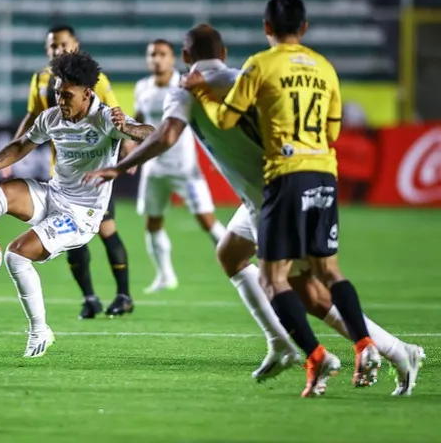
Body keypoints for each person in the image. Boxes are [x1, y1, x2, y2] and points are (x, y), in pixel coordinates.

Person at [84, 23, 424, 397]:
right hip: (278, 186)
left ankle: (391, 352)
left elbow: (166, 135)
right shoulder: (244, 77)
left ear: (184, 57)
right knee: (230, 253)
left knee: (306, 291)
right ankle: (283, 344)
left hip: (273, 196)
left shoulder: (187, 89)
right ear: (225, 53)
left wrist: (119, 165)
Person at [0, 51, 155, 357]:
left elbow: (152, 135)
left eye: (67, 95)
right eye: (57, 94)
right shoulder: (51, 117)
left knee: (16, 255)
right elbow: (22, 144)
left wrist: (129, 129)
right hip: (54, 194)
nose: (60, 100)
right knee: (0, 193)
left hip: (81, 216)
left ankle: (40, 331)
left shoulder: (105, 118)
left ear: (87, 93)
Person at [5, 25, 135, 319]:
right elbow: (33, 117)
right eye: (52, 46)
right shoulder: (40, 79)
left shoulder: (93, 80)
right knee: (70, 238)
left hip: (94, 175)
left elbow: (116, 116)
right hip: (62, 174)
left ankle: (124, 294)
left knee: (106, 230)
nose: (57, 50)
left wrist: (127, 154)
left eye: (63, 45)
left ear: (75, 45)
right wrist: (13, 152)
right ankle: (89, 298)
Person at [132, 38, 225, 293]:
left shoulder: (184, 85)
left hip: (186, 169)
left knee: (207, 221)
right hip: (153, 169)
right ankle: (165, 276)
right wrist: (130, 153)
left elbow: (206, 121)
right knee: (152, 223)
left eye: (162, 54)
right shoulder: (142, 88)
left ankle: (244, 263)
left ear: (173, 59)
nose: (156, 59)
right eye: (152, 54)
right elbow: (138, 124)